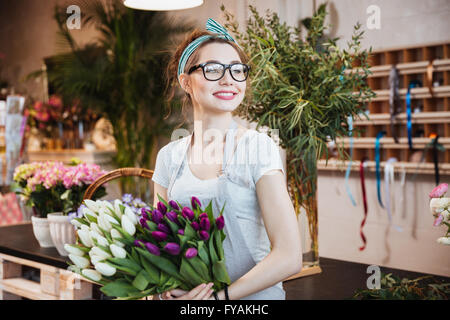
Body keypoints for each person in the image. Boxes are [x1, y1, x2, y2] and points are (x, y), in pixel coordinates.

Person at [151, 18, 301, 300]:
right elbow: (161, 241)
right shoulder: (169, 157)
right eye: (212, 70)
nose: (228, 79)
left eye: (237, 70)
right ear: (186, 81)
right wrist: (165, 287)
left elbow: (290, 255)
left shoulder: (258, 148)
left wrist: (221, 298)